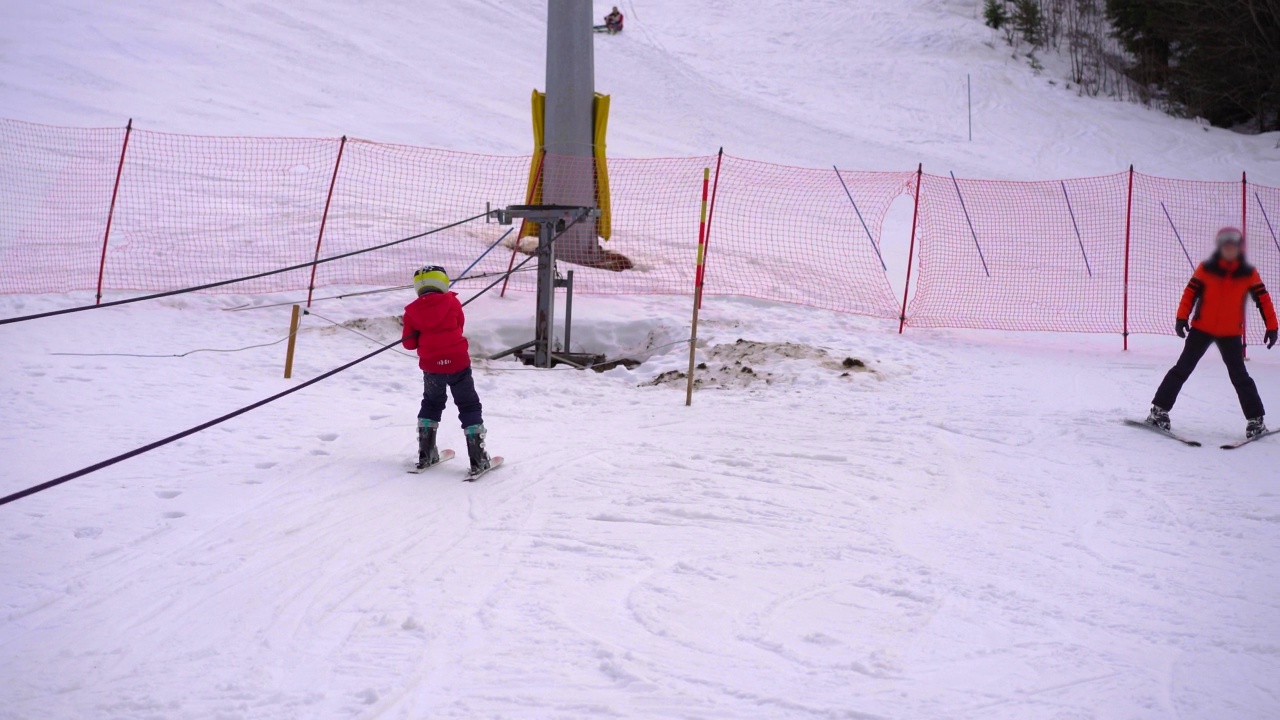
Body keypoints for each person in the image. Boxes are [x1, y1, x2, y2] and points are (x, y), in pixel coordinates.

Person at [1146, 227, 1278, 438]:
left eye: (1233, 246)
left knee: (1240, 376)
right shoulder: (1206, 268)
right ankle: (1159, 411)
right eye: (1226, 246)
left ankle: (1256, 421)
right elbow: (1190, 293)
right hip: (1202, 329)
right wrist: (1182, 317)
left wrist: (1272, 327)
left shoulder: (1248, 272)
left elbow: (1263, 299)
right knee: (1182, 369)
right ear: (1219, 247)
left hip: (1230, 333)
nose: (1229, 250)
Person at [402, 265, 492, 473]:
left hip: (432, 367)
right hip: (458, 363)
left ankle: (426, 453)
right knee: (468, 405)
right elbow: (459, 326)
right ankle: (478, 458)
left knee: (431, 403)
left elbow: (408, 343)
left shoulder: (412, 311)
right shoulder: (452, 302)